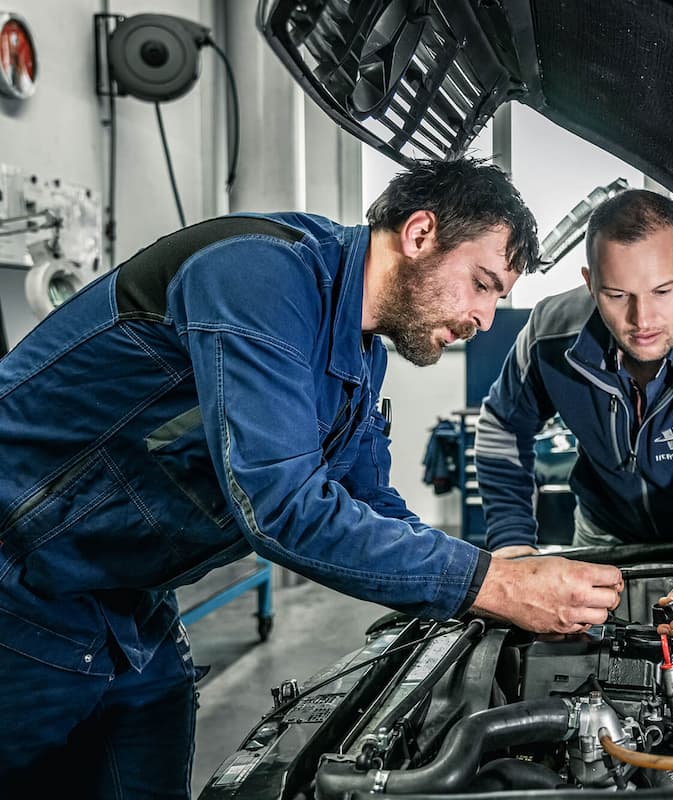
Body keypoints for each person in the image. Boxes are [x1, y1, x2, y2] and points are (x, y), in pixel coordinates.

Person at [0, 158, 623, 795]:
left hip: (129, 603)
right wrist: (489, 584)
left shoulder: (360, 354)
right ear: (419, 234)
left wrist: (493, 580)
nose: (486, 319)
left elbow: (371, 501)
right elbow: (283, 507)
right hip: (21, 583)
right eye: (482, 284)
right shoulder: (257, 275)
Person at [476, 189, 673, 644]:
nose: (642, 319)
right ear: (590, 282)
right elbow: (502, 427)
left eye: (663, 291)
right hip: (603, 540)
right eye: (616, 294)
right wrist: (512, 548)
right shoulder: (550, 333)